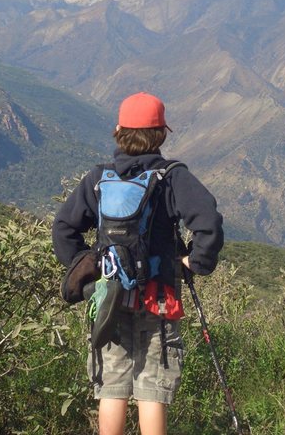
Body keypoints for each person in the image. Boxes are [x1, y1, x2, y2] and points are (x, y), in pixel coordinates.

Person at [52, 92, 224, 435]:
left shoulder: (99, 178)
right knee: (151, 391)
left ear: (118, 130)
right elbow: (209, 221)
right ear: (161, 134)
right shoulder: (172, 177)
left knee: (112, 390)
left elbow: (63, 228)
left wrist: (87, 272)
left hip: (110, 298)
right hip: (158, 299)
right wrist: (194, 262)